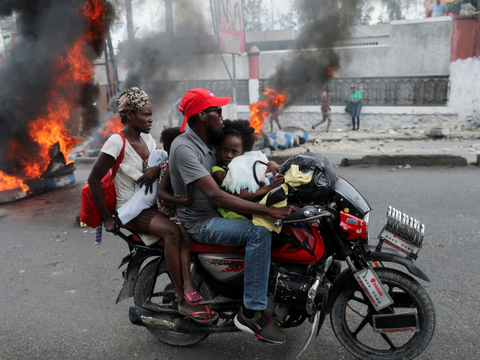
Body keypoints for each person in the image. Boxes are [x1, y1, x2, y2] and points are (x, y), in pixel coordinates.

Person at [169, 88, 297, 344]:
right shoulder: (185, 148)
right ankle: (251, 311)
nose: (221, 115)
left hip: (222, 211)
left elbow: (241, 159)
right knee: (259, 230)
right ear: (203, 116)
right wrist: (268, 210)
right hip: (202, 221)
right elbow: (216, 196)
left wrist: (269, 163)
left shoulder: (210, 142)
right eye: (217, 111)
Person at [87, 87, 217, 323]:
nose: (151, 119)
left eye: (150, 114)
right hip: (130, 208)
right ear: (129, 116)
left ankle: (189, 285)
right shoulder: (116, 142)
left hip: (150, 202)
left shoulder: (147, 138)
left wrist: (157, 167)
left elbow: (162, 160)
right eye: (145, 115)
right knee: (172, 233)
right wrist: (107, 218)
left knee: (185, 231)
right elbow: (93, 180)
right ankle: (181, 299)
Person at [156, 127, 203, 306]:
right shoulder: (171, 164)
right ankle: (187, 285)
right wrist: (180, 201)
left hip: (179, 205)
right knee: (185, 240)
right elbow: (160, 193)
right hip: (170, 208)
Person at [212, 120, 284, 218]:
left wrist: (271, 163)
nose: (229, 155)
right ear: (219, 148)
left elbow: (261, 164)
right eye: (225, 149)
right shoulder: (217, 171)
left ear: (243, 152)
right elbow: (239, 194)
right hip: (236, 213)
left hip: (256, 205)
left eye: (235, 152)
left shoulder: (244, 163)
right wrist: (270, 187)